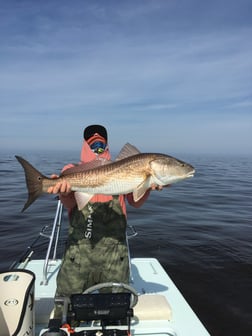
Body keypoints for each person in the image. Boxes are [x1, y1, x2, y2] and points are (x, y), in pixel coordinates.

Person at [48, 125, 162, 324]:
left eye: (101, 142)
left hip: (114, 253)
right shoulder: (71, 170)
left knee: (116, 311)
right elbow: (69, 204)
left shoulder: (126, 169)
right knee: (66, 310)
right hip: (79, 253)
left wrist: (149, 185)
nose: (97, 146)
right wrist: (64, 191)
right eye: (92, 143)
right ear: (85, 144)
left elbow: (135, 202)